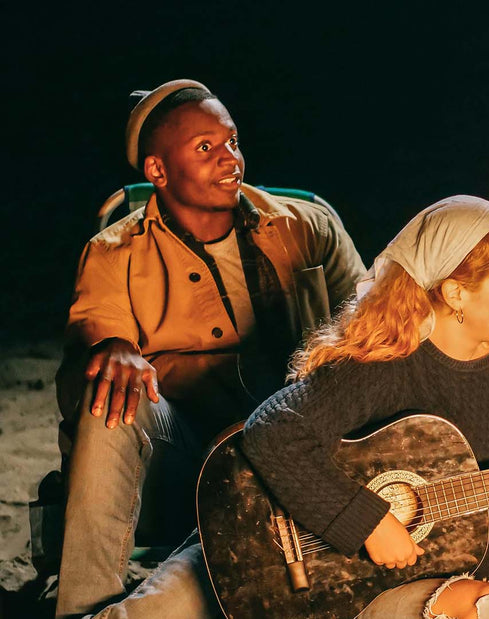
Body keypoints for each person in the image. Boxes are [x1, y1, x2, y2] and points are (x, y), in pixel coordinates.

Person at [241, 196, 489, 619]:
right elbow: (273, 432)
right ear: (456, 292)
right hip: (373, 587)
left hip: (485, 586)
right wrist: (369, 523)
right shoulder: (381, 363)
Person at [53, 79, 367, 618]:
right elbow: (97, 330)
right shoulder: (115, 253)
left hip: (296, 451)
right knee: (112, 394)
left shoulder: (306, 229)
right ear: (157, 171)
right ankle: (83, 607)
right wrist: (115, 346)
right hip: (186, 457)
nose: (231, 160)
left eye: (233, 142)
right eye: (206, 149)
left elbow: (370, 329)